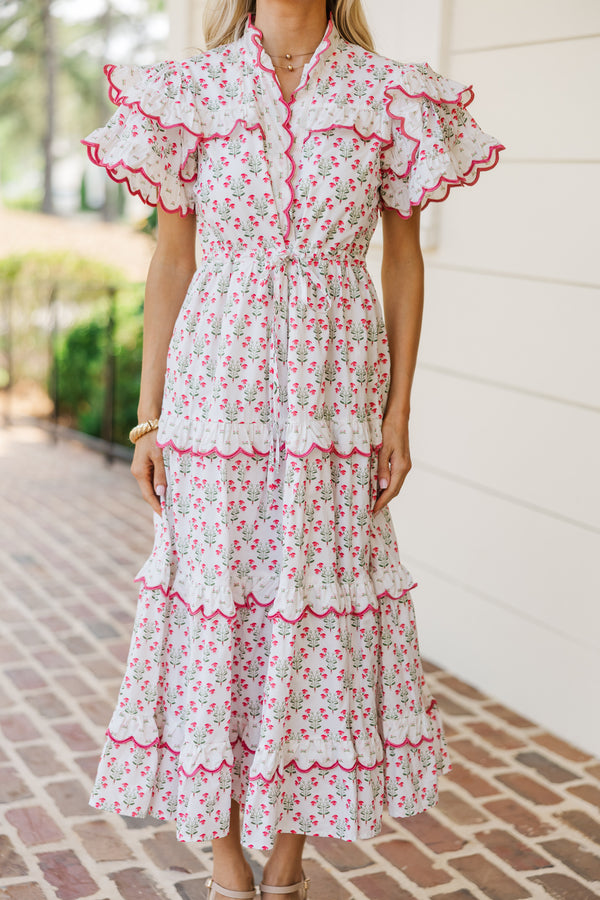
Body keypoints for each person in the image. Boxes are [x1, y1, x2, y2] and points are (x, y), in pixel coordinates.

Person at [82, 1, 504, 898]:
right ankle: (226, 856)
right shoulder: (190, 91)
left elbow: (402, 261)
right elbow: (172, 259)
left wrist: (398, 414)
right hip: (214, 394)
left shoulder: (392, 96)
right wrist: (150, 419)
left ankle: (289, 859)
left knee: (316, 615)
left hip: (334, 396)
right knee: (217, 612)